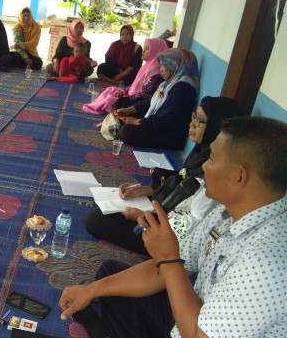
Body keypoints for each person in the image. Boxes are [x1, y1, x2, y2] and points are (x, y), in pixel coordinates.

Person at [61, 116, 287, 338]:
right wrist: (91, 290)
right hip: (197, 315)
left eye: (212, 158)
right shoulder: (227, 211)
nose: (205, 166)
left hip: (198, 332)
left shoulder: (266, 263)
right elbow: (163, 270)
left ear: (239, 175)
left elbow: (171, 269)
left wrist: (168, 259)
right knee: (109, 276)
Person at [85, 97, 243, 255]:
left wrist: (144, 218)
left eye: (200, 121)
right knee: (103, 206)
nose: (192, 124)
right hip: (165, 211)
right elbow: (182, 182)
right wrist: (149, 190)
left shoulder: (215, 176)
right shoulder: (201, 154)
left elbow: (190, 226)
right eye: (194, 116)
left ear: (216, 128)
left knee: (95, 218)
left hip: (170, 238)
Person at [114, 48, 199, 150]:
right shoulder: (169, 83)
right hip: (158, 122)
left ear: (176, 64)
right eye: (161, 65)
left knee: (125, 132)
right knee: (123, 107)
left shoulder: (183, 88)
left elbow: (165, 119)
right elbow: (151, 101)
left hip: (167, 134)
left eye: (165, 65)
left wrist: (136, 122)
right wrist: (129, 110)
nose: (161, 69)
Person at [82, 38, 168, 115]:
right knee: (111, 89)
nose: (143, 51)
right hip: (132, 95)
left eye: (147, 49)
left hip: (136, 103)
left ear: (156, 51)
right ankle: (100, 105)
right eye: (144, 48)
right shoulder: (148, 65)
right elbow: (109, 59)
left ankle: (104, 106)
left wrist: (125, 95)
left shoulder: (156, 70)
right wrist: (123, 91)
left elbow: (144, 95)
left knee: (110, 100)